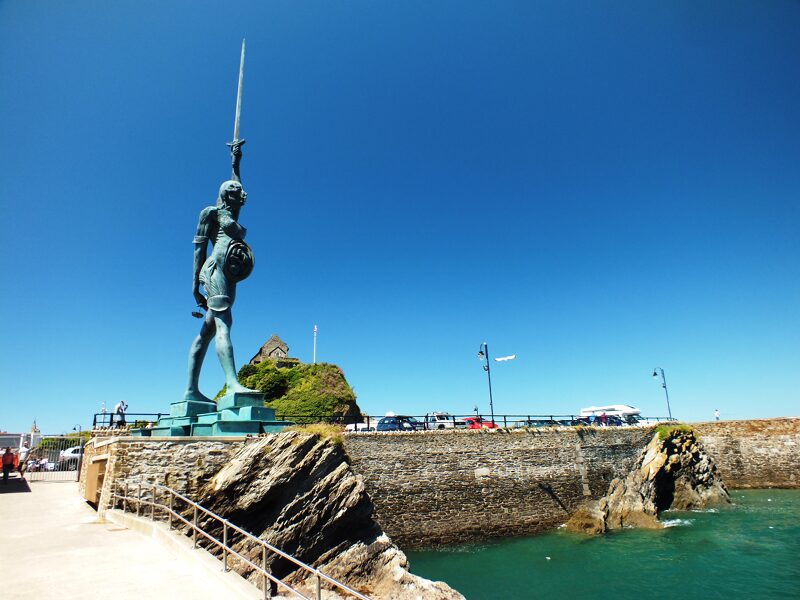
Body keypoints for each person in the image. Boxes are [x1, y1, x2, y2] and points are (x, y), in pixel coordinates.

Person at [184, 144, 258, 403]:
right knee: (224, 323)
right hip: (214, 271)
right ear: (225, 194)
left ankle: (191, 391)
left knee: (206, 332)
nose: (240, 191)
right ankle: (232, 383)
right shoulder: (211, 213)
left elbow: (237, 182)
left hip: (230, 274)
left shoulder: (232, 210)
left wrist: (235, 161)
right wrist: (195, 285)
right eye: (234, 189)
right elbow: (198, 249)